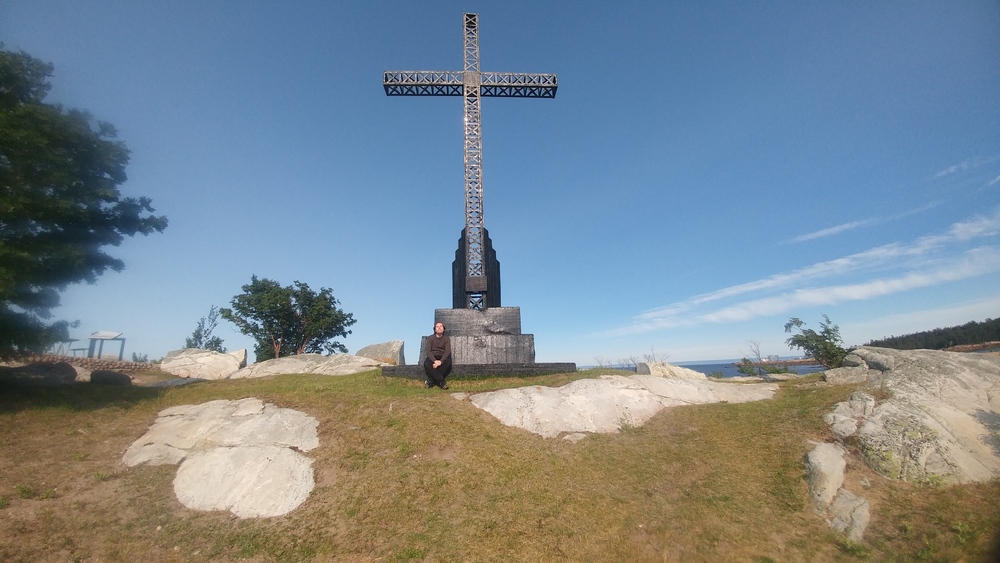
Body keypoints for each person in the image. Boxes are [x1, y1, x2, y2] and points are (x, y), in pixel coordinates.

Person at [423, 321, 452, 389]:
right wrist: (435, 361)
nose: (439, 328)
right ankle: (441, 382)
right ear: (435, 329)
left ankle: (431, 382)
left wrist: (440, 361)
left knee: (448, 363)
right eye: (437, 327)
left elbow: (447, 351)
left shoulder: (446, 339)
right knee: (426, 364)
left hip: (442, 356)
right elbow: (428, 351)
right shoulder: (430, 338)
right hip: (433, 356)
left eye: (441, 326)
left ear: (444, 329)